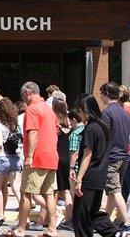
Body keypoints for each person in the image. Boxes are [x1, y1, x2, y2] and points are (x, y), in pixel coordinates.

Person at [4, 81, 58, 237]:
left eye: (23, 95)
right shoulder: (49, 109)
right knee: (48, 193)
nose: (23, 99)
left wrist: (29, 156)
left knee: (26, 192)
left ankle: (21, 229)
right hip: (51, 156)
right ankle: (52, 228)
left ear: (27, 92)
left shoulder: (32, 109)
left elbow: (33, 133)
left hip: (38, 157)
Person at [72, 94, 123, 237]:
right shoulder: (103, 127)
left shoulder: (91, 128)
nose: (80, 115)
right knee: (93, 213)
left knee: (81, 215)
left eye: (80, 111)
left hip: (89, 176)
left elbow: (87, 156)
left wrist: (79, 179)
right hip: (100, 176)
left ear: (86, 110)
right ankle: (114, 233)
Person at [0, 97, 21, 237]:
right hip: (14, 158)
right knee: (15, 187)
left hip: (0, 159)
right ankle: (26, 214)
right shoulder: (13, 125)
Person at [100, 81, 130, 230]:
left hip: (112, 157)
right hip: (124, 156)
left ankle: (127, 222)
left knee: (115, 190)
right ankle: (105, 222)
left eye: (101, 94)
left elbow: (104, 137)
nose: (100, 97)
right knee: (112, 190)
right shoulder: (124, 112)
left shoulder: (107, 113)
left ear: (106, 93)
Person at [52, 97, 73, 230]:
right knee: (67, 190)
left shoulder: (55, 123)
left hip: (57, 157)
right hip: (68, 157)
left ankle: (53, 217)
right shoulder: (70, 123)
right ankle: (69, 217)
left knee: (55, 190)